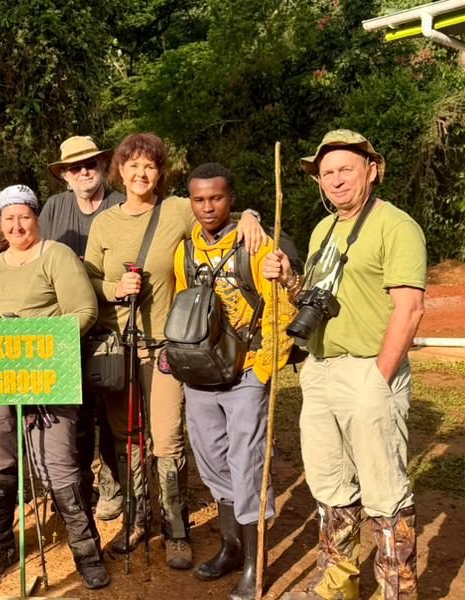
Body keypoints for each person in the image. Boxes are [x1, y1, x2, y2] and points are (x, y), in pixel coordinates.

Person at [83, 133, 264, 570]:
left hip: (168, 349)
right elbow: (85, 282)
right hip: (119, 348)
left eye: (149, 166)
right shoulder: (104, 224)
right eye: (132, 166)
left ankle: (176, 528)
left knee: (166, 439)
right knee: (128, 439)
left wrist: (252, 217)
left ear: (160, 173)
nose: (140, 174)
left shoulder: (177, 210)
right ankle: (137, 518)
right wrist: (113, 288)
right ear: (119, 172)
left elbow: (217, 213)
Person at [263, 130, 426, 600]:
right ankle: (339, 581)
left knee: (384, 489)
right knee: (329, 481)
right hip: (320, 369)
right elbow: (312, 299)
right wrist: (290, 278)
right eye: (327, 172)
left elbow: (409, 309)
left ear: (371, 171)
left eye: (345, 170)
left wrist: (381, 377)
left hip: (371, 371)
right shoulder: (323, 229)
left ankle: (397, 589)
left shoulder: (396, 227)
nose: (335, 180)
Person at [0, 185, 109, 590]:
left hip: (48, 372)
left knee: (58, 462)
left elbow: (84, 311)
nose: (16, 225)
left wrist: (36, 339)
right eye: (8, 218)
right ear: (0, 225)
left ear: (36, 217)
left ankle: (86, 550)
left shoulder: (56, 257)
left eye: (23, 216)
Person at [173, 163, 296, 599]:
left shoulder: (254, 245)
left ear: (232, 198)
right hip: (201, 376)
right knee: (213, 463)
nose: (208, 207)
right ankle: (228, 547)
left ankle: (252, 563)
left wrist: (263, 368)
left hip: (245, 374)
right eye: (199, 199)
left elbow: (282, 311)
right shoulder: (185, 250)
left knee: (248, 466)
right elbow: (184, 307)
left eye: (217, 198)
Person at [41, 135, 125, 521]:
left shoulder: (122, 204)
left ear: (104, 165)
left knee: (112, 411)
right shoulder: (54, 209)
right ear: (64, 176)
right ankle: (77, 487)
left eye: (90, 163)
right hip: (65, 326)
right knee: (72, 412)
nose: (84, 171)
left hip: (113, 323)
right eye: (75, 167)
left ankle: (113, 484)